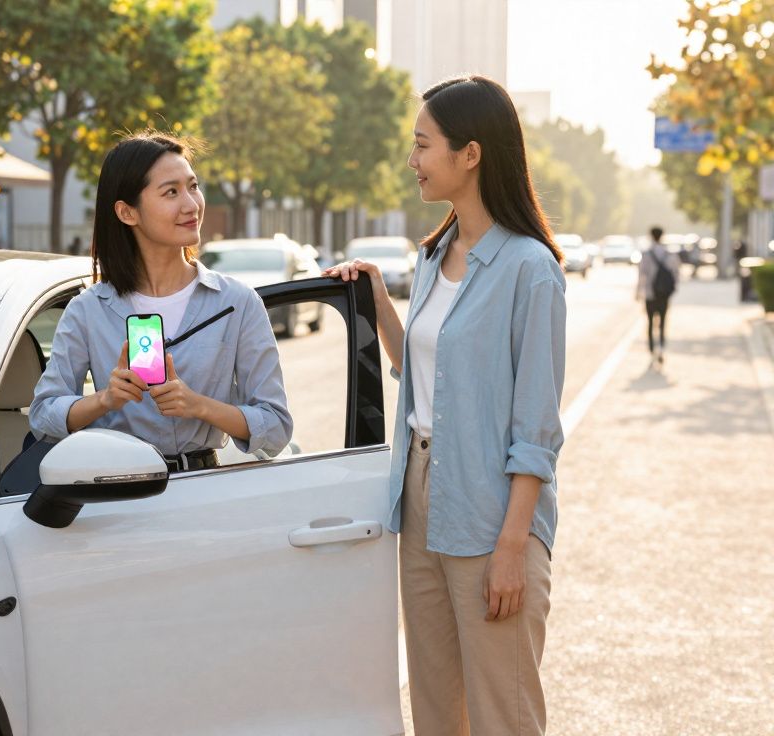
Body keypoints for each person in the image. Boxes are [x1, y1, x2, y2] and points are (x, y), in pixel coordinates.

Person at [326, 75, 565, 735]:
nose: (413, 160)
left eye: (423, 145)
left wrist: (513, 546)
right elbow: (428, 379)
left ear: (471, 154)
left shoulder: (530, 269)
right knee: (434, 709)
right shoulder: (434, 255)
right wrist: (379, 301)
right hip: (420, 497)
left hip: (493, 510)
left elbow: (536, 428)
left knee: (503, 713)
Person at [29, 132, 292, 472]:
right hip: (116, 491)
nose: (191, 204)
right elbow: (42, 417)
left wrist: (199, 406)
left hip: (208, 490)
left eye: (193, 187)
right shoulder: (88, 310)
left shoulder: (237, 302)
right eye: (171, 192)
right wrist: (105, 400)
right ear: (127, 212)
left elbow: (276, 428)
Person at [637, 226, 681, 368]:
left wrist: (638, 292)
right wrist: (672, 289)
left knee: (650, 322)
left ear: (651, 236)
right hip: (664, 295)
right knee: (662, 322)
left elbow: (641, 275)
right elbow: (676, 273)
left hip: (650, 294)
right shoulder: (669, 254)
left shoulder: (646, 254)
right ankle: (661, 347)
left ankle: (652, 350)